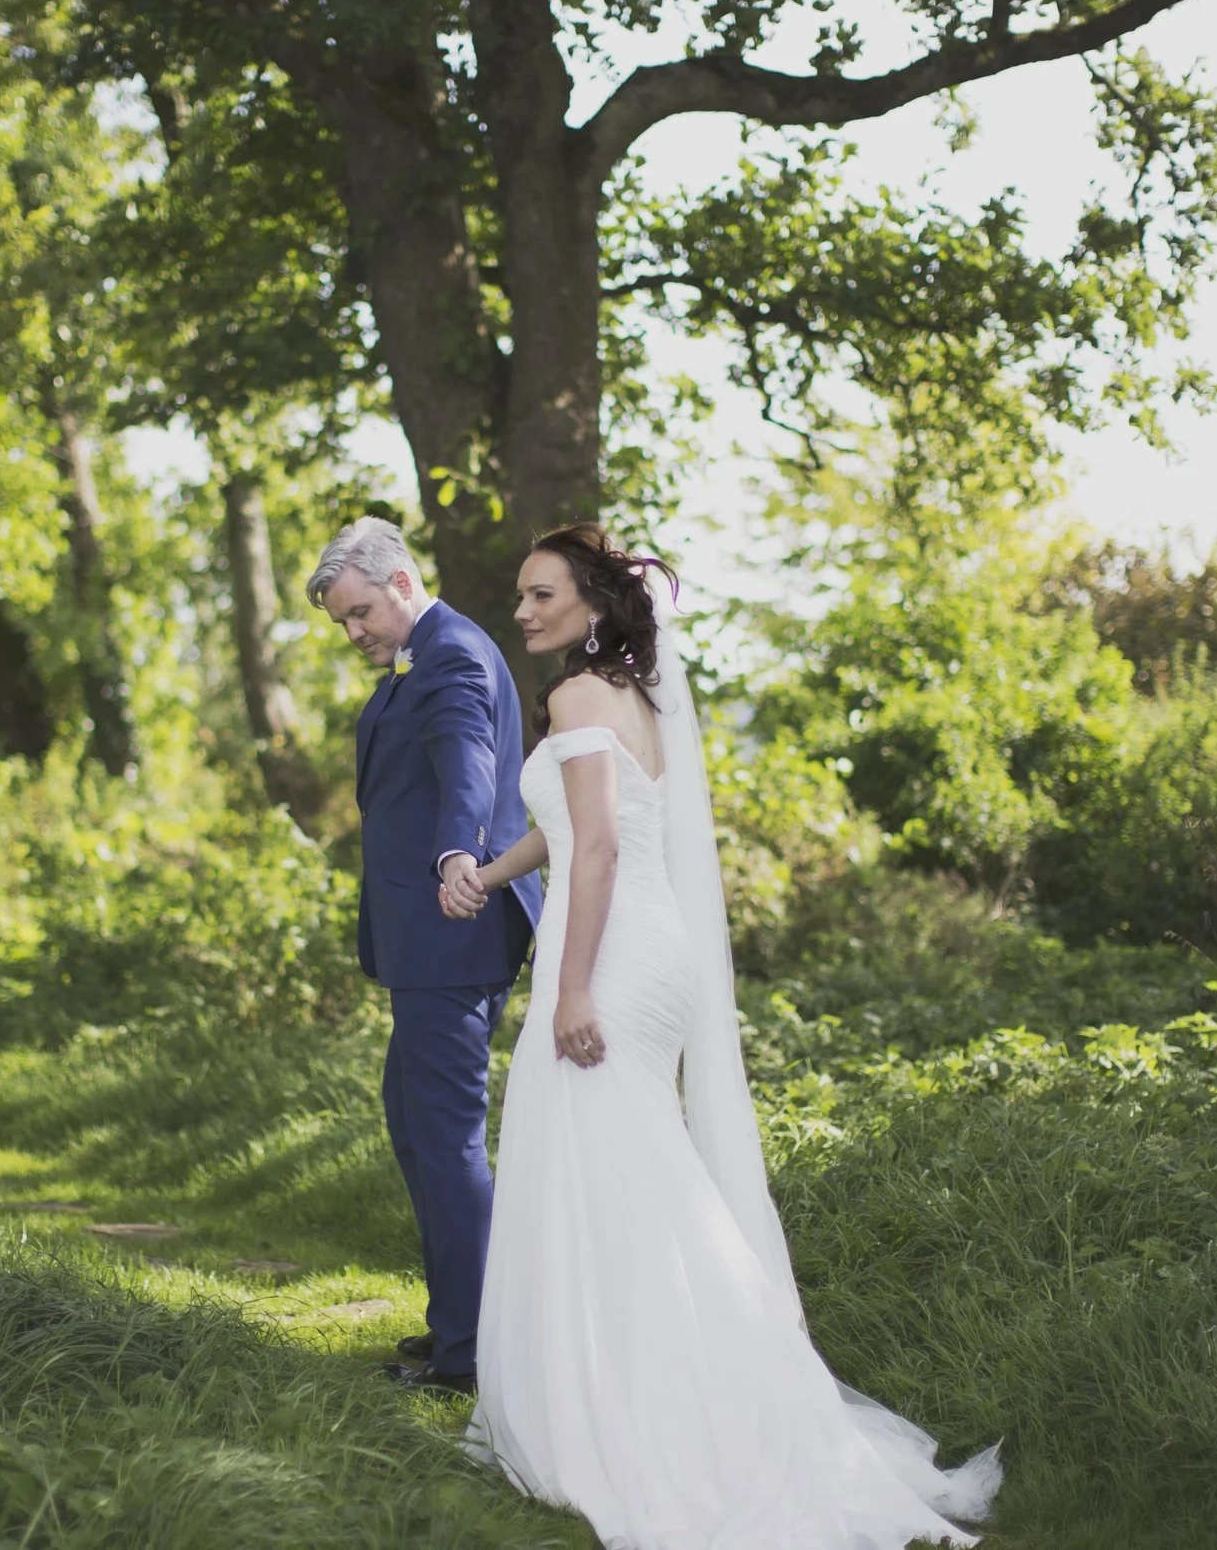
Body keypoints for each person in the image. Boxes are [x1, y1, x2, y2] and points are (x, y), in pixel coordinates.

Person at [440, 524, 1002, 1548]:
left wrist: (569, 990)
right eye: (519, 595)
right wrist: (488, 870)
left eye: (539, 594)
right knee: (624, 1167)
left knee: (610, 1166)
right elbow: (572, 827)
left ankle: (648, 1406)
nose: (521, 610)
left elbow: (600, 847)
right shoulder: (630, 697)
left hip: (605, 951)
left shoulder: (572, 696)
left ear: (594, 602)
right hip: (648, 946)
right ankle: (660, 1377)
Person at [309, 517, 543, 1394]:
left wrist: (460, 856)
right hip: (428, 938)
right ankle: (459, 1326)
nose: (356, 631)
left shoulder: (451, 654)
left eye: (362, 611)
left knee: (444, 1139)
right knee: (415, 1122)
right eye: (343, 622)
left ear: (401, 582)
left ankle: (474, 1355)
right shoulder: (425, 649)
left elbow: (468, 760)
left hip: (457, 924)